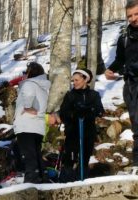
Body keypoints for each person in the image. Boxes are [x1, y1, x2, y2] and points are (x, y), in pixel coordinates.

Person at [54, 69, 105, 182]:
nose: (74, 83)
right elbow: (63, 113)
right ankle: (65, 182)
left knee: (85, 158)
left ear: (85, 79)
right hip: (73, 133)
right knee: (70, 158)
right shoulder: (70, 95)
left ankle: (82, 180)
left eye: (77, 80)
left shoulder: (93, 95)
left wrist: (90, 110)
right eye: (73, 81)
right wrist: (73, 113)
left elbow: (100, 111)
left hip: (88, 133)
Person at [106, 0, 138, 169]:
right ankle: (137, 166)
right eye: (129, 16)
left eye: (136, 14)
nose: (133, 19)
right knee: (137, 125)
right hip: (131, 86)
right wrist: (110, 70)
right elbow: (119, 60)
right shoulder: (124, 38)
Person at [12, 62, 50, 184]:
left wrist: (27, 107)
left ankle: (30, 180)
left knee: (28, 154)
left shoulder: (29, 83)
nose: (23, 74)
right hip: (37, 126)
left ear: (30, 73)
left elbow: (28, 94)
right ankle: (41, 178)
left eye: (25, 72)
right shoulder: (42, 87)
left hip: (26, 125)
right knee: (36, 153)